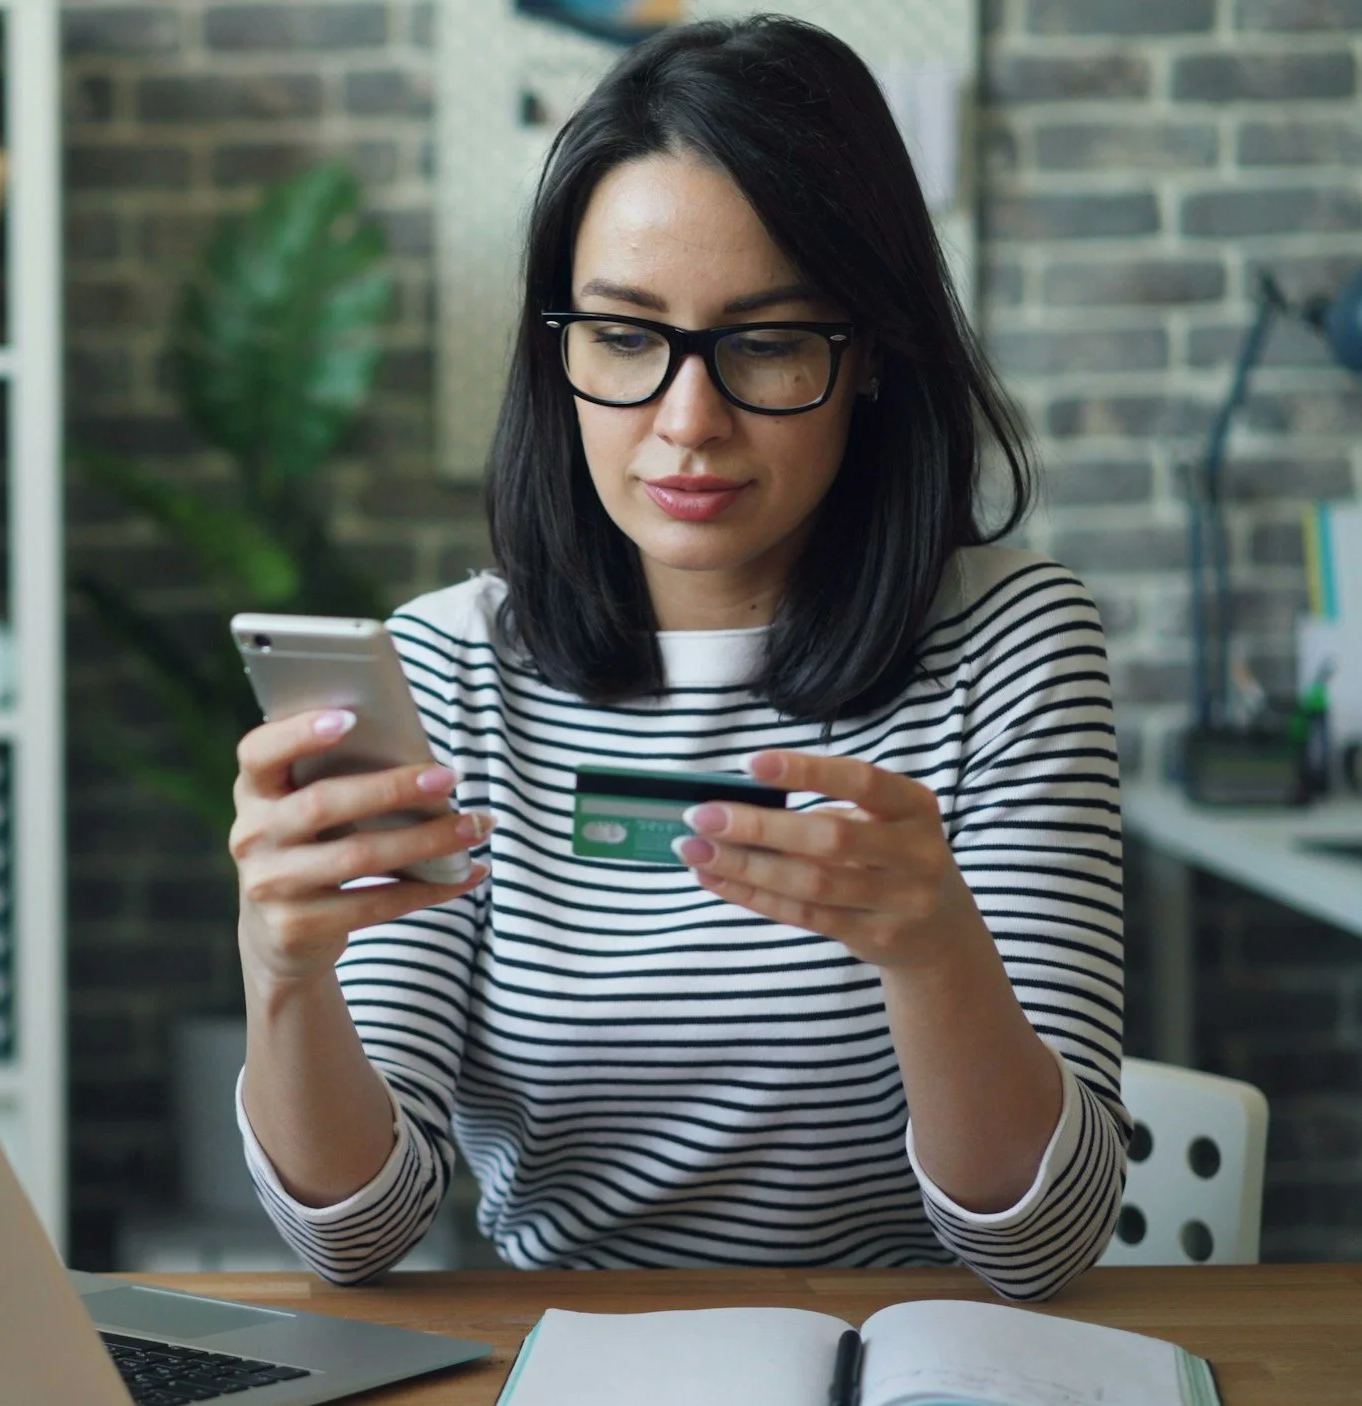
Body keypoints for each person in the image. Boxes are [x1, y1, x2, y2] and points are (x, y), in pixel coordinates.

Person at [228, 16, 1123, 1301]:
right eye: (625, 337)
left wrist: (934, 954)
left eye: (763, 342)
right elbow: (352, 1239)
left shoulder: (1013, 645)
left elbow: (1044, 1243)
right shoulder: (446, 670)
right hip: (558, 1361)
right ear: (559, 349)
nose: (686, 423)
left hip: (913, 1358)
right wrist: (284, 970)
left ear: (866, 352)